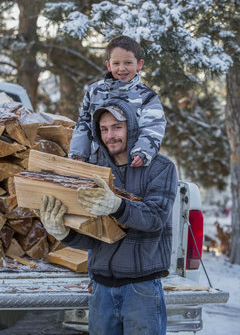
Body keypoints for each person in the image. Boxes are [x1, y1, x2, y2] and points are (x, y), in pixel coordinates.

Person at [39, 101, 178, 335]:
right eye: (104, 129)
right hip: (101, 289)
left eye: (116, 127)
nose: (109, 136)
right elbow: (94, 237)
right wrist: (64, 233)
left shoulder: (160, 168)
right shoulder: (94, 170)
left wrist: (117, 205)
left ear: (132, 128)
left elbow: (155, 218)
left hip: (141, 289)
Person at [69, 35, 166, 168]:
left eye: (128, 63)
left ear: (139, 64)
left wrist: (143, 151)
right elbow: (84, 123)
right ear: (108, 65)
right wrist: (78, 152)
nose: (122, 68)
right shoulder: (94, 91)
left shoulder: (147, 96)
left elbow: (153, 127)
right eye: (116, 63)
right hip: (97, 161)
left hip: (130, 163)